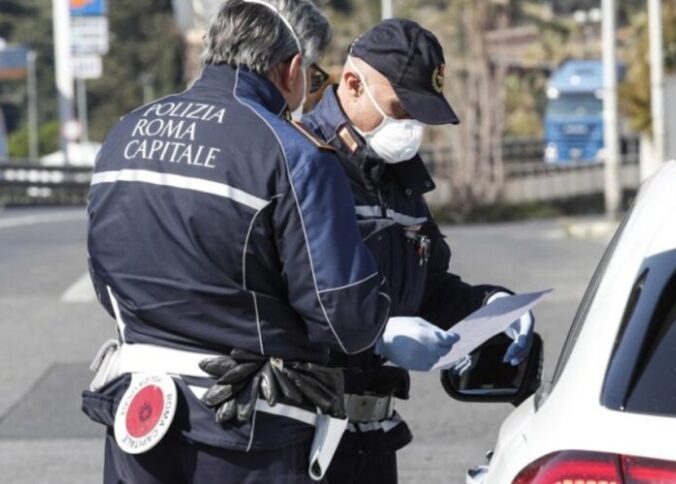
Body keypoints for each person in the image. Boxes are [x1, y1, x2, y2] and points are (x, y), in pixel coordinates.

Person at [81, 2, 454, 482]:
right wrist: (382, 330)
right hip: (245, 433)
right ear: (292, 69)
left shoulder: (124, 133)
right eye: (312, 77)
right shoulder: (295, 154)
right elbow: (343, 317)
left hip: (136, 417)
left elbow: (104, 281)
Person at [301, 19, 536, 484]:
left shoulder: (397, 175)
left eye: (417, 114)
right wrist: (377, 335)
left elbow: (428, 288)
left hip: (373, 436)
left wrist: (488, 307)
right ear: (353, 84)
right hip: (300, 437)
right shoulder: (302, 161)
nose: (409, 126)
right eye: (400, 108)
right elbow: (279, 299)